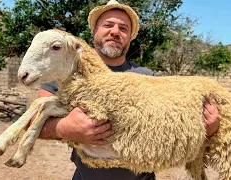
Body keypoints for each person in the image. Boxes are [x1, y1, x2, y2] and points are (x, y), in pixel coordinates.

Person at [32, 0, 220, 180]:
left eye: (123, 28)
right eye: (108, 25)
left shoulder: (147, 77)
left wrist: (209, 128)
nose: (115, 32)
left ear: (130, 37)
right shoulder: (68, 74)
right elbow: (32, 121)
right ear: (94, 31)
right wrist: (66, 128)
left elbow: (171, 128)